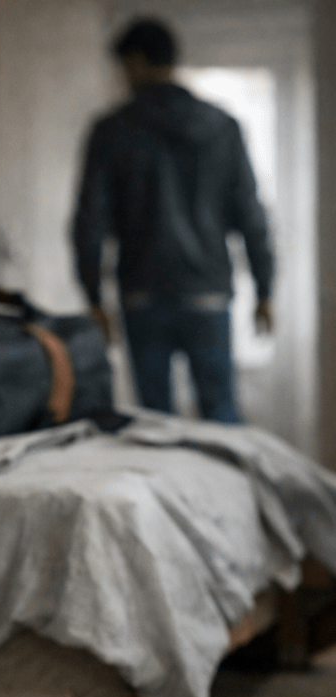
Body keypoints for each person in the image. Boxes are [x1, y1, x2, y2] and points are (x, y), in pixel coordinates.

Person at [72, 17, 275, 422]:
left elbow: (90, 221)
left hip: (142, 292)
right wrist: (265, 288)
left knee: (156, 420)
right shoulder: (222, 126)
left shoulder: (112, 130)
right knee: (221, 413)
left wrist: (94, 296)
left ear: (137, 61)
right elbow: (249, 213)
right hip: (208, 293)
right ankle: (227, 489)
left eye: (124, 67)